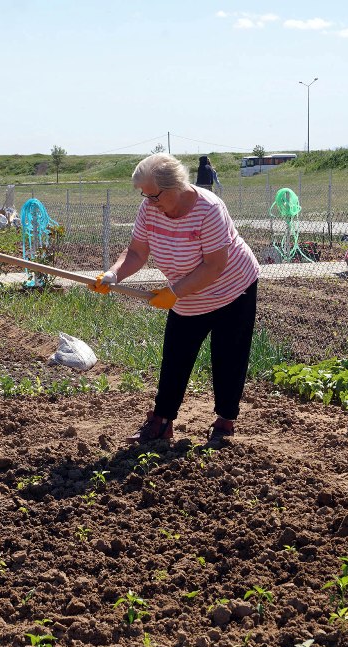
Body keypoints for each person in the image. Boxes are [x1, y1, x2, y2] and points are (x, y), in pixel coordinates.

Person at [88, 153, 260, 447]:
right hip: (187, 293)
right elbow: (137, 253)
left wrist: (174, 292)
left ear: (174, 187)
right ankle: (162, 421)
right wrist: (114, 274)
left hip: (232, 290)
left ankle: (225, 421)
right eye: (144, 195)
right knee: (175, 358)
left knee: (228, 356)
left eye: (153, 195)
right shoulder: (150, 209)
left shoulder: (209, 209)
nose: (148, 201)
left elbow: (214, 266)